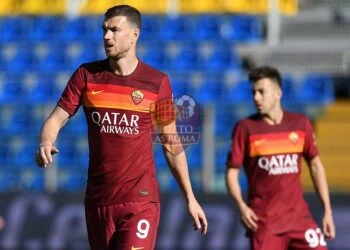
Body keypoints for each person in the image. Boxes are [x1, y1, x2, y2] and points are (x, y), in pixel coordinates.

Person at [35, 5, 207, 250]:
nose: (107, 36)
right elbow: (55, 119)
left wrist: (190, 198)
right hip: (99, 202)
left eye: (115, 30)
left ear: (134, 35)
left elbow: (171, 143)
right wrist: (45, 142)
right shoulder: (86, 76)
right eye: (104, 30)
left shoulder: (158, 82)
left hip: (140, 201)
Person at [226, 66, 335, 250]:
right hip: (264, 223)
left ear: (278, 93)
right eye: (254, 92)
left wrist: (328, 211)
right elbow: (231, 173)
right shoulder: (245, 128)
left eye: (262, 92)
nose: (256, 98)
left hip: (300, 220)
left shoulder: (300, 124)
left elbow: (315, 166)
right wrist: (241, 207)